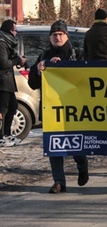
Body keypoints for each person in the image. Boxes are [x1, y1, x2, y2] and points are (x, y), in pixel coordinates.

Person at [28, 21, 87, 193]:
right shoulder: (44, 56)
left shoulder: (77, 54)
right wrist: (40, 70)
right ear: (50, 38)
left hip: (73, 108)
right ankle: (59, 181)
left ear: (67, 36)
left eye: (61, 34)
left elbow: (85, 79)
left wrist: (63, 67)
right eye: (54, 35)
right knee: (54, 144)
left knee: (75, 143)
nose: (58, 37)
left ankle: (82, 166)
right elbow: (32, 83)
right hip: (51, 109)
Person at [0, 20, 26, 147]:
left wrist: (19, 60)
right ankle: (1, 136)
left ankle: (7, 133)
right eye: (15, 30)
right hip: (2, 81)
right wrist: (16, 59)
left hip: (8, 80)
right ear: (10, 31)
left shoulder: (8, 43)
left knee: (13, 106)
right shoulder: (1, 43)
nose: (16, 33)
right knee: (3, 109)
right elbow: (3, 63)